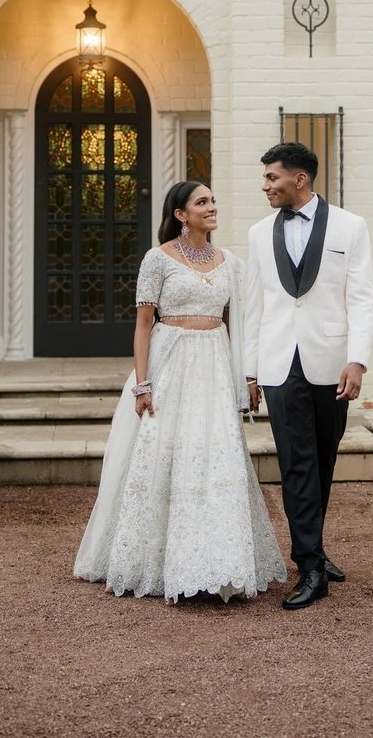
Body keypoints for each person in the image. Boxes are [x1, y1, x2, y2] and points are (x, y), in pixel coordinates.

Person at [74, 181, 286, 602]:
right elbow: (143, 325)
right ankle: (155, 560)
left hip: (213, 364)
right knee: (163, 452)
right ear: (180, 214)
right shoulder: (158, 259)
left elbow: (241, 322)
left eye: (213, 199)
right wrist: (142, 383)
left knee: (215, 456)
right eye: (202, 202)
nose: (212, 207)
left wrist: (248, 377)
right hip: (169, 363)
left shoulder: (230, 263)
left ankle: (219, 562)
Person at [244, 143, 373, 610]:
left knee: (322, 460)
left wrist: (357, 360)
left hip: (332, 362)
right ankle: (310, 566)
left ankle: (314, 547)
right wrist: (251, 371)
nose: (265, 185)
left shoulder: (350, 226)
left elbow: (362, 298)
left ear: (299, 178)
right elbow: (254, 305)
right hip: (281, 364)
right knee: (296, 463)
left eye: (272, 178)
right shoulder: (259, 233)